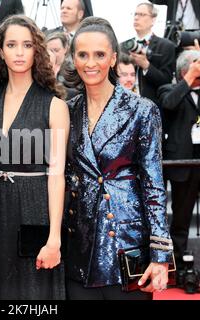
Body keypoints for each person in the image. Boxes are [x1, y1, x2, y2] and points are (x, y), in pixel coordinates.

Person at [65, 16, 172, 300]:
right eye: (83, 55)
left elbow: (154, 186)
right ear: (73, 59)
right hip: (79, 243)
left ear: (113, 58)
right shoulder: (66, 111)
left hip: (127, 244)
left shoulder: (141, 109)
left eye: (99, 54)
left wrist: (160, 255)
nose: (91, 63)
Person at [0, 14, 69, 300]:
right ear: (0, 51)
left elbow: (57, 176)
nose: (19, 52)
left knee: (33, 292)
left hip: (36, 207)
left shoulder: (54, 105)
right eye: (11, 45)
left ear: (36, 51)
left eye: (27, 45)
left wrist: (54, 238)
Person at [158, 50, 200, 271]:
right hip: (183, 165)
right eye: (198, 65)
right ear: (185, 70)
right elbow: (168, 104)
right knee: (180, 222)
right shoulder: (168, 89)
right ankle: (177, 269)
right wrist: (188, 78)